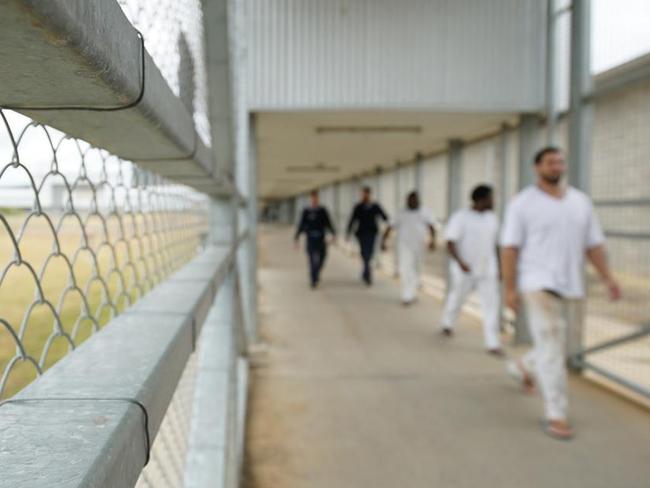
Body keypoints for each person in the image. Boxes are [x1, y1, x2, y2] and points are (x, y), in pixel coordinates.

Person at [500, 146, 621, 440]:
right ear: (537, 167)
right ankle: (556, 414)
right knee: (553, 347)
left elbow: (594, 245)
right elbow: (509, 248)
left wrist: (608, 278)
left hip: (570, 285)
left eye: (560, 161)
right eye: (550, 162)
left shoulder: (580, 203)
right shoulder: (522, 204)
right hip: (537, 283)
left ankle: (522, 366)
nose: (556, 166)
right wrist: (510, 288)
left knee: (555, 346)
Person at [440, 184, 502, 355]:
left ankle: (492, 342)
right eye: (491, 198)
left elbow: (495, 244)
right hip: (465, 269)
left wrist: (501, 268)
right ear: (481, 199)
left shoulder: (493, 219)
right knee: (457, 298)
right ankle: (448, 323)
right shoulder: (461, 217)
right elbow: (450, 242)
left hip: (487, 269)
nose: (494, 201)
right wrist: (460, 262)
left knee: (491, 305)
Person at [381, 191, 436, 305]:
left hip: (420, 246)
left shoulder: (425, 212)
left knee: (417, 270)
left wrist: (432, 241)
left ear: (418, 200)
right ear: (407, 201)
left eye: (414, 199)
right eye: (410, 200)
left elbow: (431, 226)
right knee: (406, 270)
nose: (412, 202)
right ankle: (406, 296)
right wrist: (383, 241)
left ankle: (412, 293)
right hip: (404, 246)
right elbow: (390, 226)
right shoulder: (400, 213)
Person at [346, 186, 389, 285]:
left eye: (366, 193)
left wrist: (390, 225)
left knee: (369, 253)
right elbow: (352, 220)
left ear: (369, 194)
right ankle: (367, 272)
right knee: (364, 253)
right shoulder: (358, 207)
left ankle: (366, 272)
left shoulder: (375, 206)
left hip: (372, 233)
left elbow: (384, 216)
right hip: (361, 233)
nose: (365, 195)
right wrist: (348, 232)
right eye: (363, 193)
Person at [294, 190, 336, 288]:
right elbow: (301, 224)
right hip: (311, 239)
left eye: (316, 198)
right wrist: (296, 238)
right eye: (313, 198)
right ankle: (313, 279)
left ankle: (316, 272)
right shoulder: (306, 211)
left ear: (318, 199)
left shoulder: (323, 211)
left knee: (322, 257)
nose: (314, 200)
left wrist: (333, 233)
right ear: (310, 199)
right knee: (312, 259)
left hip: (321, 238)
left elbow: (328, 223)